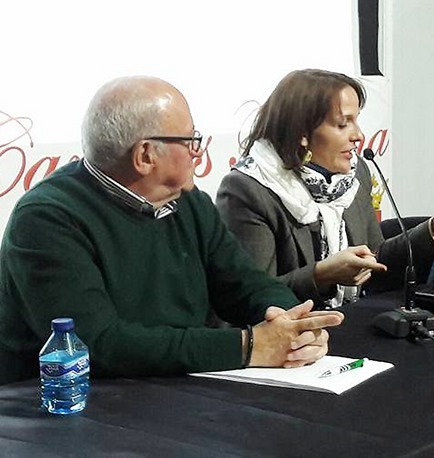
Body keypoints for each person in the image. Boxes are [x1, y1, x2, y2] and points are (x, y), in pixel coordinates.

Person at [0, 76, 343, 385]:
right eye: (190, 140)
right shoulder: (47, 219)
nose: (197, 151)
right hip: (69, 409)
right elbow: (97, 345)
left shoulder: (190, 202)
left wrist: (294, 325)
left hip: (173, 387)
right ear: (146, 155)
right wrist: (249, 346)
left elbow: (244, 283)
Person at [216, 69, 434, 307]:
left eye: (357, 120)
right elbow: (250, 299)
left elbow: (374, 263)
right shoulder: (249, 189)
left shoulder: (354, 174)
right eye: (343, 124)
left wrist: (432, 233)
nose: (359, 135)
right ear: (302, 134)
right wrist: (321, 275)